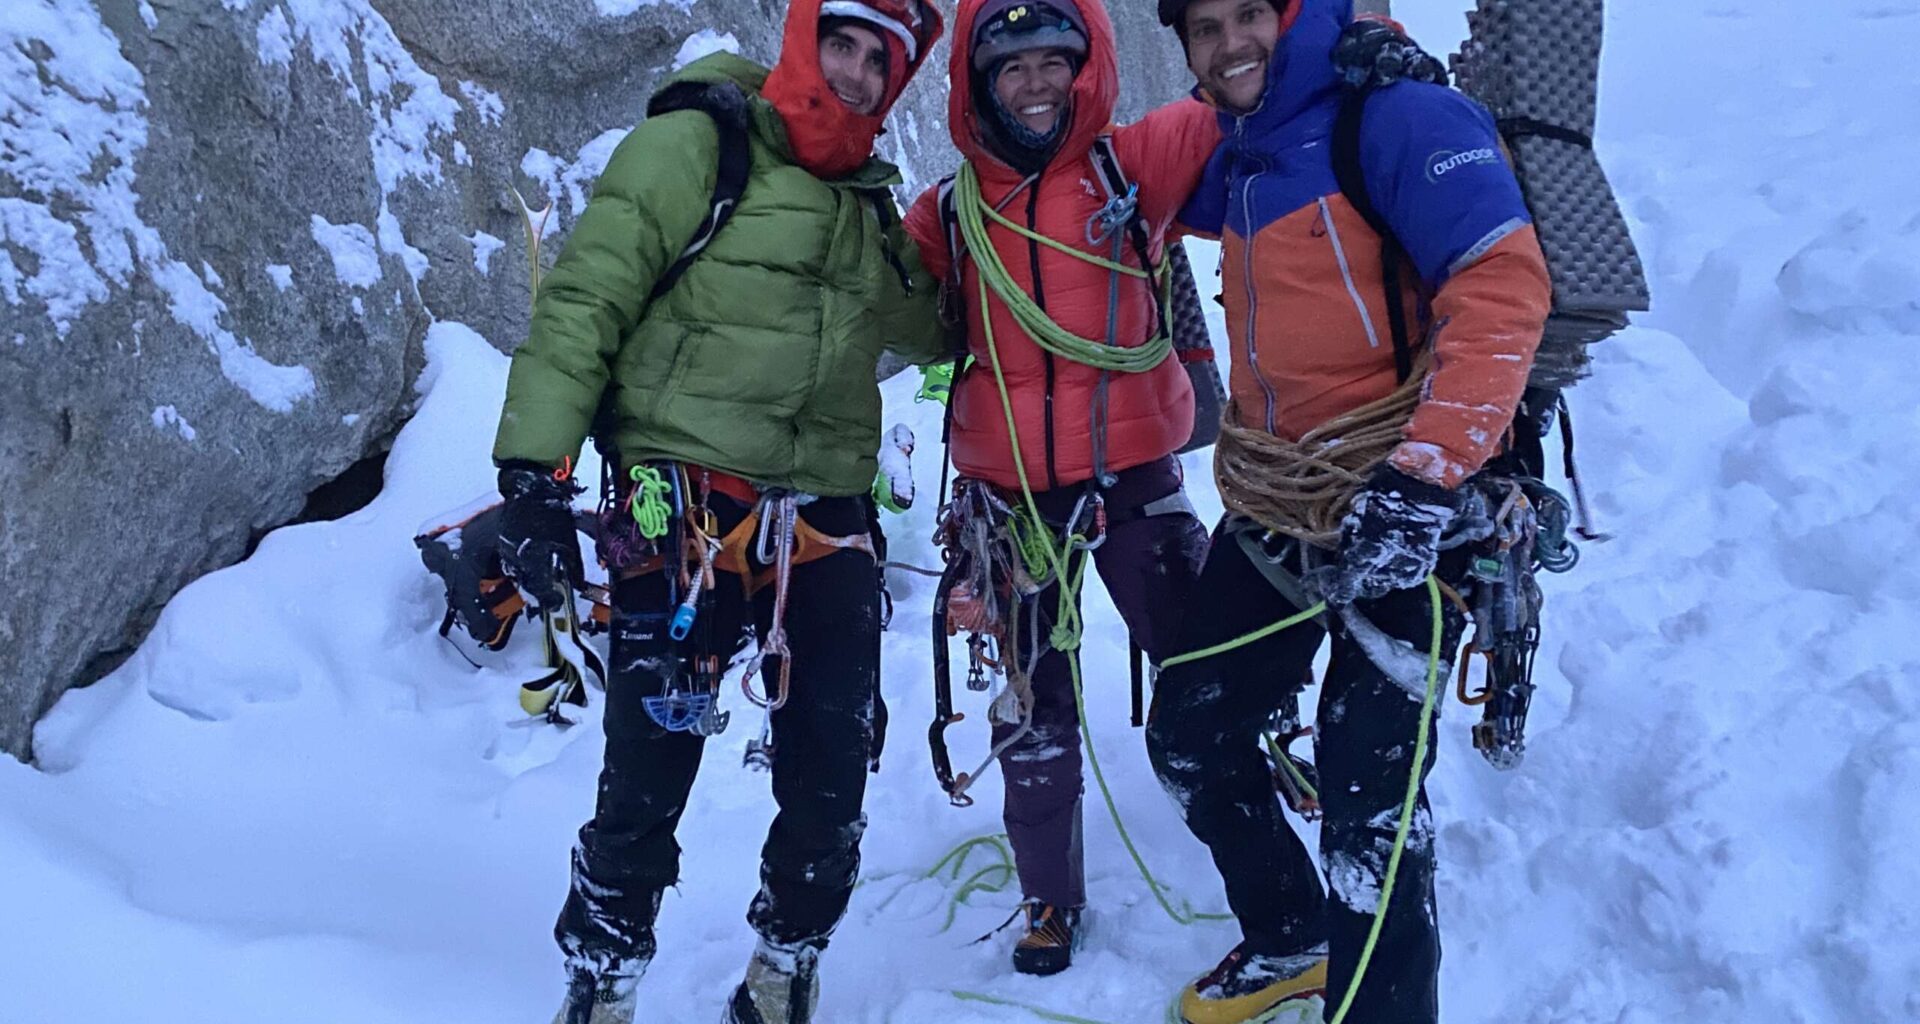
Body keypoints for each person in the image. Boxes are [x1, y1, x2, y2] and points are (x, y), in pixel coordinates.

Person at [487, 2, 946, 1021]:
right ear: (804, 38)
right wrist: (532, 468)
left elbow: (930, 322)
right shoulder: (699, 141)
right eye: (846, 42)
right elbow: (587, 298)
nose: (862, 73)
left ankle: (788, 958)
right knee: (650, 761)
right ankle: (602, 975)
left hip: (823, 515)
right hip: (677, 503)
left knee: (831, 760)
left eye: (884, 60)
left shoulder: (871, 207)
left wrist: (960, 233)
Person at [1143, 1, 1553, 1022]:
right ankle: (1292, 932)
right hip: (1283, 498)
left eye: (1250, 15)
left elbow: (1502, 283)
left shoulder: (1399, 117)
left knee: (1370, 822)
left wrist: (1424, 475)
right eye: (1205, 27)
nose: (1230, 43)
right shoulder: (1239, 154)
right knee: (1191, 733)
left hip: (1412, 505)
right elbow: (1105, 164)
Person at [901, 0, 1219, 976]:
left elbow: (1247, 98)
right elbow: (868, 295)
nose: (1037, 83)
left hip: (1133, 479)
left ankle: (1262, 825)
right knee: (1032, 710)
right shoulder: (951, 212)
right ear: (977, 80)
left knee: (1209, 668)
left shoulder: (1132, 166)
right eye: (1013, 66)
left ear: (1087, 67)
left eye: (1055, 61)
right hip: (1009, 503)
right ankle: (1048, 898)